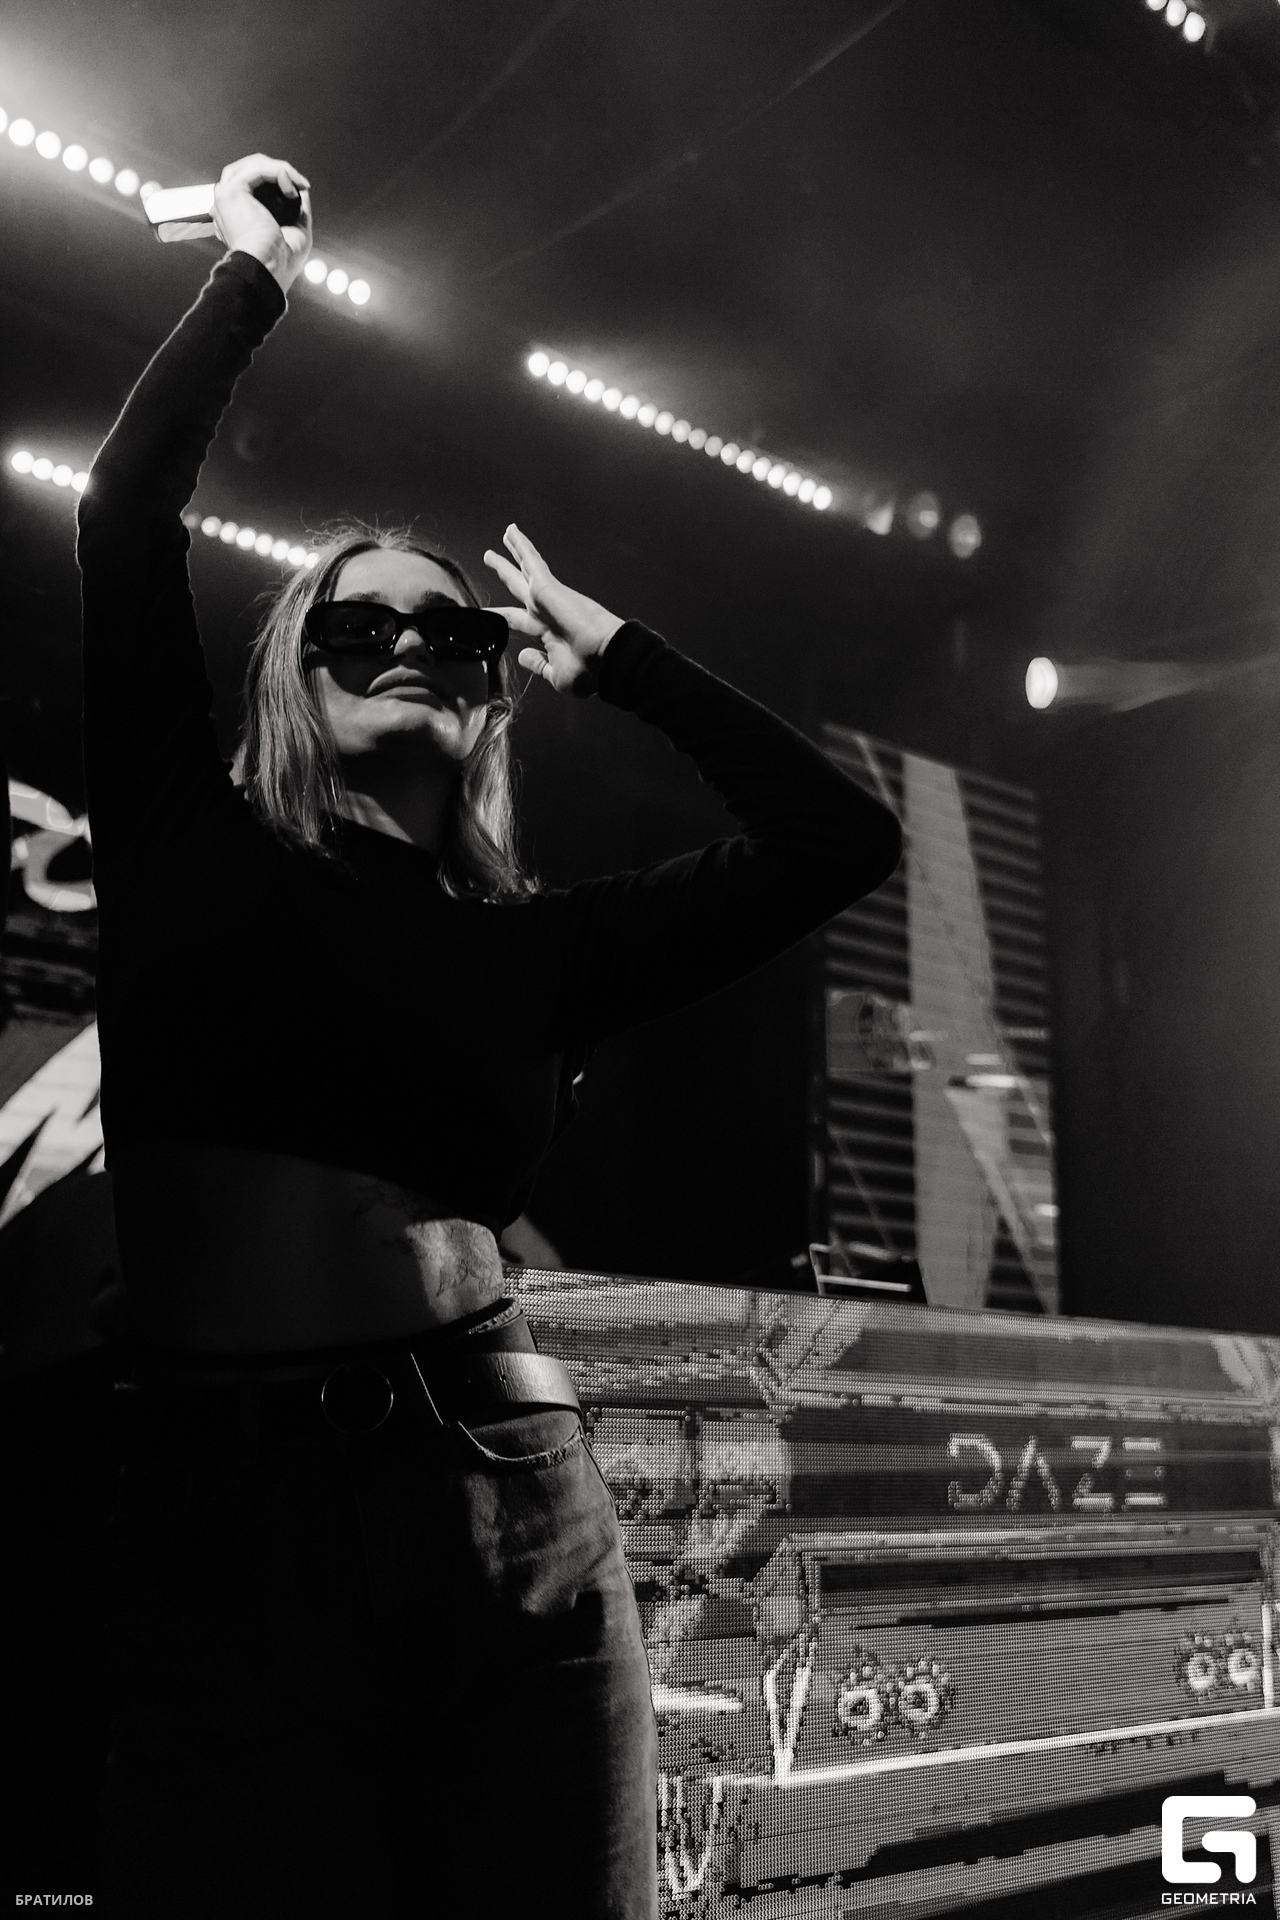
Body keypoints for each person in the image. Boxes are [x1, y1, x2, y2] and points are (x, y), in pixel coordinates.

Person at [76, 152, 902, 1918]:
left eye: (445, 629)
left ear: (491, 685)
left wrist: (630, 661)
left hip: (513, 1489)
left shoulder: (539, 947)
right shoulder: (182, 838)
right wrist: (252, 278)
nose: (404, 643)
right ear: (295, 673)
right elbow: (124, 509)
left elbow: (840, 840)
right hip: (229, 1500)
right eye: (357, 622)